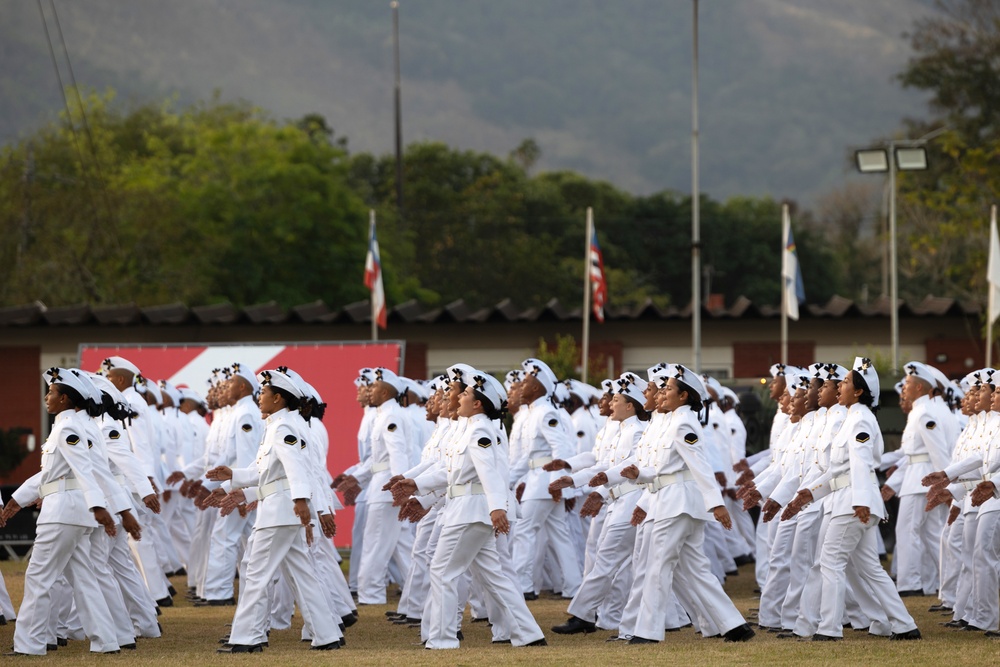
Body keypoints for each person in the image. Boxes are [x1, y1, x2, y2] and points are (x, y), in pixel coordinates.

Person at [402, 370, 547, 649]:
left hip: (471, 511)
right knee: (494, 576)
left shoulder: (479, 429)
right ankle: (528, 634)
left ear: (478, 403)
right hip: (468, 509)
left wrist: (497, 509)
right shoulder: (468, 428)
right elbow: (450, 472)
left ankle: (442, 639)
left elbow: (489, 472)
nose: (459, 397)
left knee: (443, 571)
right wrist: (415, 483)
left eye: (466, 394)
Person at [785, 357, 920, 641]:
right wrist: (808, 494)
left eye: (846, 383)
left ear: (858, 391)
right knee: (869, 568)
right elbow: (836, 471)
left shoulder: (860, 419)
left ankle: (829, 629)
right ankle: (902, 625)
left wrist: (860, 501)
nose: (840, 387)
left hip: (853, 502)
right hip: (847, 498)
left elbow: (859, 463)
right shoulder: (850, 418)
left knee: (830, 562)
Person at [209, 368, 342, 653]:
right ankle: (327, 634)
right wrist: (233, 474)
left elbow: (296, 467)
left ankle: (247, 638)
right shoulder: (279, 425)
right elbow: (264, 471)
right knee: (302, 575)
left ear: (279, 399)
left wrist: (301, 501)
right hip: (281, 510)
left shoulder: (282, 428)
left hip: (279, 513)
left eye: (264, 393)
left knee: (256, 573)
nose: (260, 398)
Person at [622, 364, 755, 645]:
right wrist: (640, 475)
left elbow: (699, 465)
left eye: (668, 388)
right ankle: (734, 625)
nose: (662, 392)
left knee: (658, 565)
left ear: (684, 396)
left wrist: (716, 504)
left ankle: (647, 631)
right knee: (695, 570)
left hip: (678, 504)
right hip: (672, 502)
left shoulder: (683, 422)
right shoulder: (671, 421)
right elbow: (664, 468)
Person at [3, 368, 120, 655]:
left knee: (39, 577)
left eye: (52, 392)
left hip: (62, 513)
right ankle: (106, 642)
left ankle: (29, 645)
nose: (47, 397)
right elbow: (50, 475)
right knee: (83, 578)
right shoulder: (67, 426)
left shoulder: (67, 428)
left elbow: (82, 469)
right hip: (72, 512)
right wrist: (17, 501)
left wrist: (99, 506)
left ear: (65, 399)